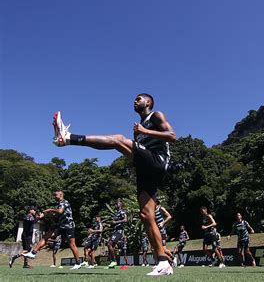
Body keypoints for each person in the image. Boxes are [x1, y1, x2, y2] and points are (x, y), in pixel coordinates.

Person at [52, 93, 176, 276]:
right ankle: (163, 261)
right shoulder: (137, 129)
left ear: (148, 102)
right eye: (135, 99)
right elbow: (135, 153)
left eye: (139, 98)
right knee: (145, 214)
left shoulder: (156, 116)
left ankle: (68, 137)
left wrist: (144, 132)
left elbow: (172, 136)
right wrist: (138, 136)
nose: (135, 101)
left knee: (118, 139)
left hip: (158, 161)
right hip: (145, 170)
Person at [21, 190, 82, 270]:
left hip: (68, 226)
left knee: (72, 245)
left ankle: (78, 263)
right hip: (60, 225)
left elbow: (60, 211)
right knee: (46, 236)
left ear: (61, 195)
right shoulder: (59, 204)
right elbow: (58, 215)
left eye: (55, 195)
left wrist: (50, 210)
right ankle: (33, 252)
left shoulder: (64, 202)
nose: (54, 197)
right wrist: (50, 215)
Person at [106, 199, 128, 268]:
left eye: (117, 204)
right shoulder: (117, 213)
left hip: (119, 231)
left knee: (109, 243)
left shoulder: (122, 212)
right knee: (111, 246)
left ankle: (114, 261)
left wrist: (116, 222)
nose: (115, 205)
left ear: (121, 205)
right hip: (115, 231)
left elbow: (125, 220)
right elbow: (114, 223)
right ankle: (112, 263)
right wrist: (107, 225)